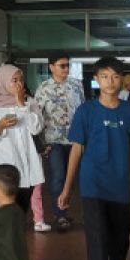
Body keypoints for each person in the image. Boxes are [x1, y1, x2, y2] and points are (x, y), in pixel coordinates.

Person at [57, 56, 130, 260]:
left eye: (115, 76)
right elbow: (76, 150)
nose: (110, 82)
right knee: (97, 243)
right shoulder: (86, 111)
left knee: (121, 238)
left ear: (122, 80)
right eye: (105, 76)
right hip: (93, 185)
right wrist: (67, 188)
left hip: (121, 185)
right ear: (97, 79)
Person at [0, 65, 45, 220]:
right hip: (4, 166)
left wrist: (21, 105)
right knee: (6, 210)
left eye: (21, 80)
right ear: (2, 82)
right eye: (14, 80)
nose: (19, 84)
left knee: (21, 208)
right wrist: (0, 126)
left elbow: (37, 128)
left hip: (28, 165)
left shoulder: (30, 102)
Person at [33, 53, 85, 233]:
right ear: (51, 67)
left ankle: (76, 210)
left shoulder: (76, 86)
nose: (66, 69)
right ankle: (60, 214)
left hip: (76, 140)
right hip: (53, 140)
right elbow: (37, 117)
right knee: (58, 177)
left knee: (77, 177)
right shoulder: (43, 89)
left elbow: (83, 111)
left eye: (67, 65)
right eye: (62, 65)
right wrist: (40, 143)